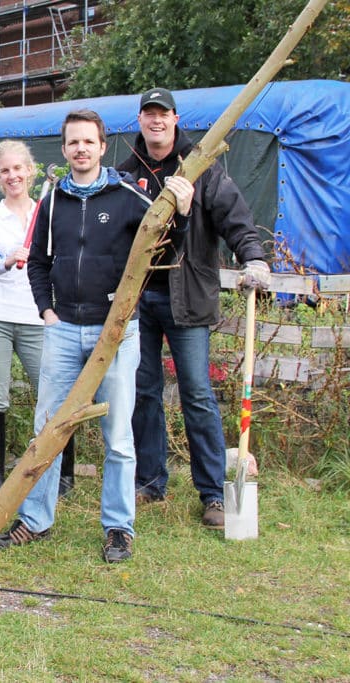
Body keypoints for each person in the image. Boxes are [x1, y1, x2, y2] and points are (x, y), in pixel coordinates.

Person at [0, 109, 193, 563]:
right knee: (48, 430)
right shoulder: (53, 200)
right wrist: (46, 310)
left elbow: (167, 250)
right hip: (63, 331)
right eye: (72, 143)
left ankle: (119, 528)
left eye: (88, 142)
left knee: (118, 435)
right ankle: (35, 520)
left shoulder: (128, 196)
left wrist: (181, 214)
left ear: (103, 147)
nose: (80, 149)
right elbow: (39, 262)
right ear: (64, 150)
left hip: (116, 332)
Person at [120, 88, 271, 528]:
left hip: (187, 298)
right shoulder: (129, 172)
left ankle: (213, 495)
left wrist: (254, 259)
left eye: (163, 114)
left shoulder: (202, 167)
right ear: (142, 121)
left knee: (197, 396)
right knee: (143, 392)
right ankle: (149, 482)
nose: (156, 121)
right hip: (140, 299)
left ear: (174, 118)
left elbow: (236, 220)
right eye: (148, 114)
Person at [0, 139, 77, 496]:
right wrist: (4, 262)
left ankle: (63, 474)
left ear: (30, 171)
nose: (12, 175)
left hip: (38, 319)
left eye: (18, 168)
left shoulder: (50, 213)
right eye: (5, 171)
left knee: (54, 397)